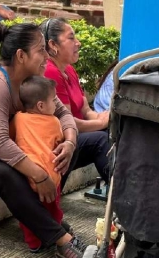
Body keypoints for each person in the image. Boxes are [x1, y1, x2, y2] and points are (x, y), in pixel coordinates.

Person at [0, 22, 86, 258]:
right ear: (21, 55)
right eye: (41, 50)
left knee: (79, 146)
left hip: (4, 157)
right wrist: (39, 174)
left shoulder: (33, 82)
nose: (47, 55)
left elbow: (63, 114)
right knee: (9, 173)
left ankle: (53, 220)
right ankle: (61, 238)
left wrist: (70, 143)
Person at [42, 18, 110, 187]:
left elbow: (86, 110)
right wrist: (101, 122)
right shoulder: (50, 71)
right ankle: (125, 196)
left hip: (77, 137)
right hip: (59, 142)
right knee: (102, 140)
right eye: (71, 38)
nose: (78, 43)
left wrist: (103, 117)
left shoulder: (69, 69)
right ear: (53, 45)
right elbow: (66, 123)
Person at [11, 76, 66, 252]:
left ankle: (34, 243)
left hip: (28, 173)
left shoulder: (18, 119)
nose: (56, 105)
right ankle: (56, 234)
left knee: (29, 214)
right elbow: (59, 141)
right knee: (52, 209)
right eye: (53, 100)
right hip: (51, 175)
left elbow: (10, 136)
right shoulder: (54, 122)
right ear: (41, 106)